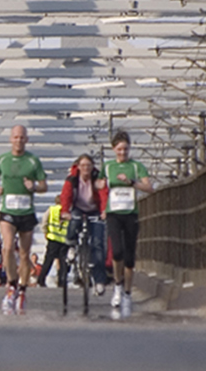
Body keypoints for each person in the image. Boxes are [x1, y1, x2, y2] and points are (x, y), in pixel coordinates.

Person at [0, 124, 47, 314]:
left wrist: (33, 186)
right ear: (10, 139)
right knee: (7, 247)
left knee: (25, 254)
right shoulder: (3, 160)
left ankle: (22, 291)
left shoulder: (33, 161)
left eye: (22, 137)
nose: (18, 140)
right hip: (8, 210)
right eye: (15, 137)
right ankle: (11, 285)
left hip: (26, 211)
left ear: (26, 140)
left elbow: (44, 186)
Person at [104, 131, 153, 318]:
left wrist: (132, 182)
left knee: (130, 257)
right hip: (113, 214)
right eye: (119, 149)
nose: (122, 153)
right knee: (117, 252)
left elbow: (149, 187)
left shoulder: (136, 166)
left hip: (131, 213)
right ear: (113, 149)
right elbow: (99, 183)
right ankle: (118, 285)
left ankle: (127, 292)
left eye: (125, 149)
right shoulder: (107, 167)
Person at [55, 153, 109, 294]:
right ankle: (71, 245)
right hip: (78, 207)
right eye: (83, 165)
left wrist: (104, 211)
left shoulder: (97, 178)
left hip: (94, 210)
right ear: (78, 167)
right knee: (74, 222)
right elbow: (65, 196)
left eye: (89, 165)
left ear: (92, 167)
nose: (86, 168)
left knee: (97, 244)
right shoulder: (72, 179)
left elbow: (104, 194)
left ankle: (99, 281)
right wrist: (65, 211)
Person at [37, 201, 70, 289]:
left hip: (53, 237)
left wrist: (45, 231)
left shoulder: (51, 210)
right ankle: (62, 280)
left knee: (48, 260)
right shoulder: (68, 211)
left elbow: (45, 220)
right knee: (63, 261)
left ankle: (41, 279)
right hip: (64, 238)